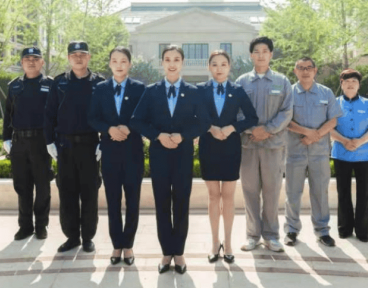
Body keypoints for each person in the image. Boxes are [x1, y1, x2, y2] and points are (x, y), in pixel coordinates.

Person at [130, 45, 209, 274]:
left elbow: (204, 122)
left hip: (183, 155)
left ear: (182, 63)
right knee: (162, 203)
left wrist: (184, 135)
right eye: (167, 59)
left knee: (182, 203)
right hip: (159, 155)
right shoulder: (151, 91)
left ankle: (180, 252)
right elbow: (137, 120)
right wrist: (158, 135)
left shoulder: (193, 92)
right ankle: (166, 252)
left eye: (176, 59)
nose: (172, 64)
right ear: (162, 63)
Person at [198, 50, 259, 263]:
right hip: (208, 146)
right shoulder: (200, 90)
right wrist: (210, 128)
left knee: (229, 197)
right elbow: (194, 116)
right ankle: (215, 243)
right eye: (215, 64)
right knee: (213, 196)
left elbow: (252, 117)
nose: (219, 68)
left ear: (229, 67)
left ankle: (229, 242)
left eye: (223, 64)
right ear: (209, 67)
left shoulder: (237, 90)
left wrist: (233, 127)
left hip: (231, 147)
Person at [44, 41, 105, 253]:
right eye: (74, 55)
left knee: (90, 193)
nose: (78, 58)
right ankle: (72, 237)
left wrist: (104, 140)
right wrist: (49, 142)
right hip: (65, 146)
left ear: (88, 57)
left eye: (82, 54)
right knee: (67, 193)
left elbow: (107, 115)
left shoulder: (99, 83)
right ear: (68, 58)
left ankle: (88, 237)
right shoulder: (59, 82)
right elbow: (49, 114)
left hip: (90, 146)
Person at [88, 47, 146, 266]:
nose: (119, 65)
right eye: (115, 61)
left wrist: (129, 128)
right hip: (110, 153)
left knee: (132, 201)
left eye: (123, 61)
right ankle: (116, 245)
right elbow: (92, 118)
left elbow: (145, 117)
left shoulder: (139, 88)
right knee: (113, 201)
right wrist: (109, 129)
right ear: (110, 64)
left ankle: (128, 245)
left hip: (133, 153)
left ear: (129, 64)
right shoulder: (100, 89)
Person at [235, 36, 293, 253]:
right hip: (248, 145)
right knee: (250, 191)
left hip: (273, 146)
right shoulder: (241, 82)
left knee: (272, 191)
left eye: (265, 51)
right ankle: (252, 235)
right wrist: (252, 130)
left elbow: (287, 111)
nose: (261, 55)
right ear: (251, 55)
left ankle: (271, 236)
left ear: (271, 54)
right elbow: (235, 111)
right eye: (256, 51)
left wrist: (267, 129)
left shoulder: (282, 81)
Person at [284, 57, 343, 248]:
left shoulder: (326, 92)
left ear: (315, 71)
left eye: (309, 68)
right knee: (293, 192)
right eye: (301, 68)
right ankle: (291, 230)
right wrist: (306, 132)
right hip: (295, 152)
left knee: (320, 192)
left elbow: (333, 120)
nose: (305, 71)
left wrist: (315, 135)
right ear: (295, 71)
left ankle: (322, 231)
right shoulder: (288, 93)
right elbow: (285, 120)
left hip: (319, 153)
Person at [2, 47, 54, 241]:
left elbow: (56, 114)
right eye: (27, 59)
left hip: (41, 142)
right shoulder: (14, 86)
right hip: (19, 143)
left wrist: (54, 140)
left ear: (42, 62)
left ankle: (41, 226)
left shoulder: (50, 85)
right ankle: (25, 226)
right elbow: (8, 114)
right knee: (22, 186)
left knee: (42, 186)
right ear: (21, 62)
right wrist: (6, 138)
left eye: (35, 58)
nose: (31, 62)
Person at [330, 68, 368, 243]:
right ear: (341, 84)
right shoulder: (334, 104)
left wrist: (359, 142)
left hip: (364, 155)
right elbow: (328, 128)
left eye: (354, 81)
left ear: (359, 85)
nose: (350, 84)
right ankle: (344, 229)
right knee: (343, 192)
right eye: (347, 81)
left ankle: (362, 231)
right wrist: (345, 141)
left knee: (363, 194)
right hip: (341, 154)